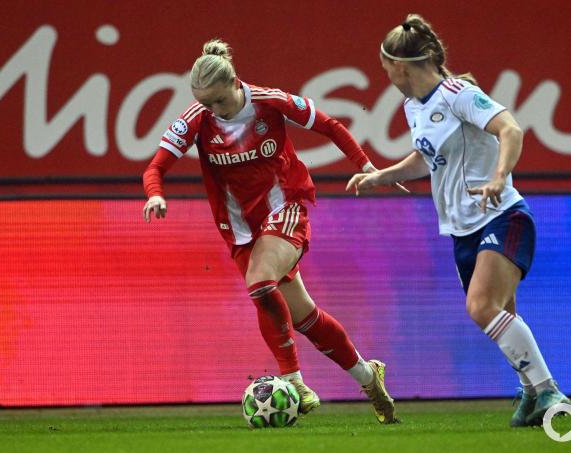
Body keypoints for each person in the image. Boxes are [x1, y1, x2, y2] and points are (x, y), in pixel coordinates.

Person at [142, 39, 397, 424]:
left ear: (234, 84)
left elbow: (330, 125)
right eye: (204, 103)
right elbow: (155, 168)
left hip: (285, 207)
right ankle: (368, 376)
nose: (212, 110)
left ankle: (292, 381)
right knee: (303, 317)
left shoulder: (269, 101)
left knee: (260, 282)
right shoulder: (197, 118)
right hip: (240, 229)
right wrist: (155, 196)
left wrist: (366, 166)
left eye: (217, 102)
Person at [347, 14, 571, 427]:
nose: (384, 73)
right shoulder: (414, 106)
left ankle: (550, 391)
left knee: (481, 306)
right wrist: (383, 176)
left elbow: (511, 129)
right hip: (461, 229)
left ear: (400, 65)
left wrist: (499, 177)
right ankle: (529, 393)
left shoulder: (458, 93)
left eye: (384, 65)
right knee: (501, 313)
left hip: (502, 215)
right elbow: (427, 156)